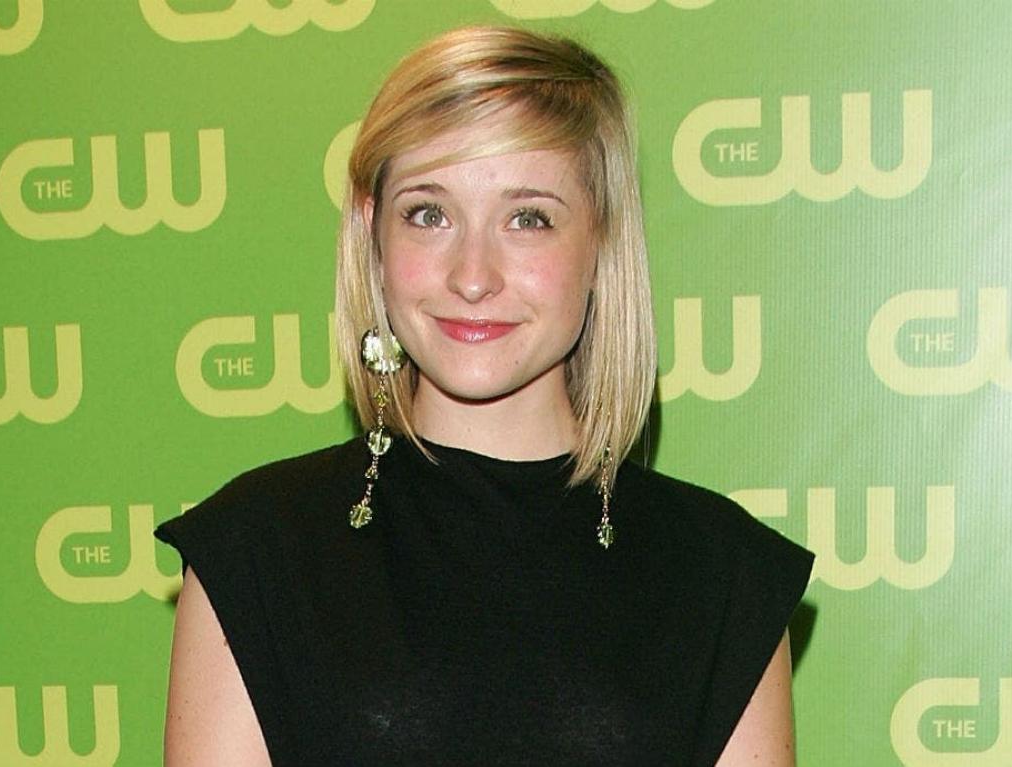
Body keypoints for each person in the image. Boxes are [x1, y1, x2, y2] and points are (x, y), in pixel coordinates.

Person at [155, 25, 815, 766]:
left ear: (600, 242)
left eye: (528, 218)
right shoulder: (255, 550)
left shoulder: (722, 574)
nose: (472, 276)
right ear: (373, 232)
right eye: (428, 214)